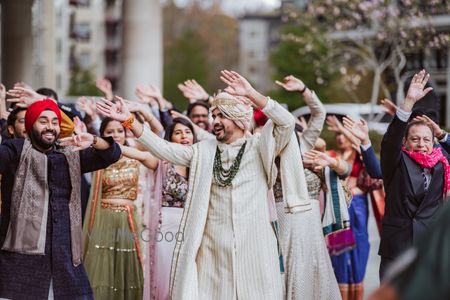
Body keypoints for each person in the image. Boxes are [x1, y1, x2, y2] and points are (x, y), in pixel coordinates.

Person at [97, 70, 298, 300]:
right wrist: (129, 121)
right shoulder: (204, 151)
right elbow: (165, 149)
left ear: (238, 117)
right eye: (214, 116)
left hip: (255, 248)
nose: (216, 122)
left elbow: (286, 122)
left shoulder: (260, 147)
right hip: (213, 251)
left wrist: (251, 93)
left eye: (221, 116)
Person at [0, 99, 121, 299]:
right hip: (20, 264)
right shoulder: (15, 150)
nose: (50, 127)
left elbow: (111, 155)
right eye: (43, 121)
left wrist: (91, 139)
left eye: (55, 122)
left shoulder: (70, 153)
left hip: (65, 259)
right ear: (31, 126)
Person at [272, 75, 342, 299]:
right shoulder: (266, 151)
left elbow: (319, 112)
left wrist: (303, 88)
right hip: (284, 219)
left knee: (314, 267)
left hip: (310, 219)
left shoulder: (303, 145)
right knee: (289, 268)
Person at [379, 70, 450, 279]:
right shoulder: (397, 161)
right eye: (415, 139)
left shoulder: (442, 163)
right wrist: (408, 102)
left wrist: (442, 135)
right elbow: (391, 139)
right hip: (397, 247)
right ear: (406, 142)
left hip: (428, 248)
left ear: (433, 142)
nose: (421, 144)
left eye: (426, 140)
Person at [82, 117, 146, 300]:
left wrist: (136, 116)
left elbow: (157, 137)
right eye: (109, 132)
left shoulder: (136, 152)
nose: (115, 135)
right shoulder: (97, 158)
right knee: (104, 270)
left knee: (128, 270)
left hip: (129, 219)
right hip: (105, 218)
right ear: (102, 135)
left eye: (119, 130)